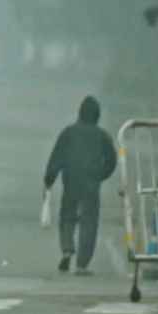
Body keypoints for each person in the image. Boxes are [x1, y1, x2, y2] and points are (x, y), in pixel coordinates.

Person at [44, 95, 117, 274]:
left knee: (67, 217)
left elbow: (56, 157)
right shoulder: (102, 136)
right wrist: (100, 175)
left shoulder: (68, 133)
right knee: (88, 223)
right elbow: (112, 161)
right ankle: (82, 264)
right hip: (91, 183)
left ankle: (67, 249)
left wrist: (49, 179)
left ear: (80, 113)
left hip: (71, 181)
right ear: (97, 115)